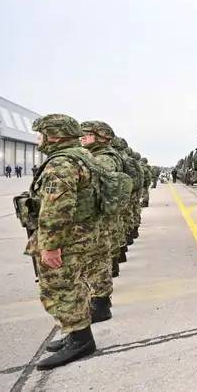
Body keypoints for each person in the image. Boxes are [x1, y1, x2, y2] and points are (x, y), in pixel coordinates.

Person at [26, 114, 101, 370]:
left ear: (54, 135)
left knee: (62, 287)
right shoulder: (82, 156)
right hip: (81, 233)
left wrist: (50, 246)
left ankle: (81, 340)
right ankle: (76, 333)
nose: (38, 138)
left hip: (67, 238)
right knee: (74, 284)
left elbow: (57, 209)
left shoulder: (62, 163)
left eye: (41, 133)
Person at [80, 120, 124, 322]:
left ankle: (101, 305)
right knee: (95, 259)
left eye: (87, 134)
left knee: (97, 260)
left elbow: (97, 173)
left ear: (101, 137)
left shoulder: (106, 158)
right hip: (95, 216)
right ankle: (98, 300)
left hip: (99, 218)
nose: (82, 137)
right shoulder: (94, 156)